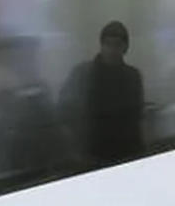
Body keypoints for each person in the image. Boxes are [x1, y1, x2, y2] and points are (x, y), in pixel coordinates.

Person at [59, 20, 147, 169]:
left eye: (117, 45)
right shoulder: (84, 74)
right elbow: (65, 111)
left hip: (127, 156)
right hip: (92, 157)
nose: (111, 50)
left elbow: (135, 118)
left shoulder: (132, 76)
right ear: (101, 46)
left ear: (125, 48)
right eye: (107, 44)